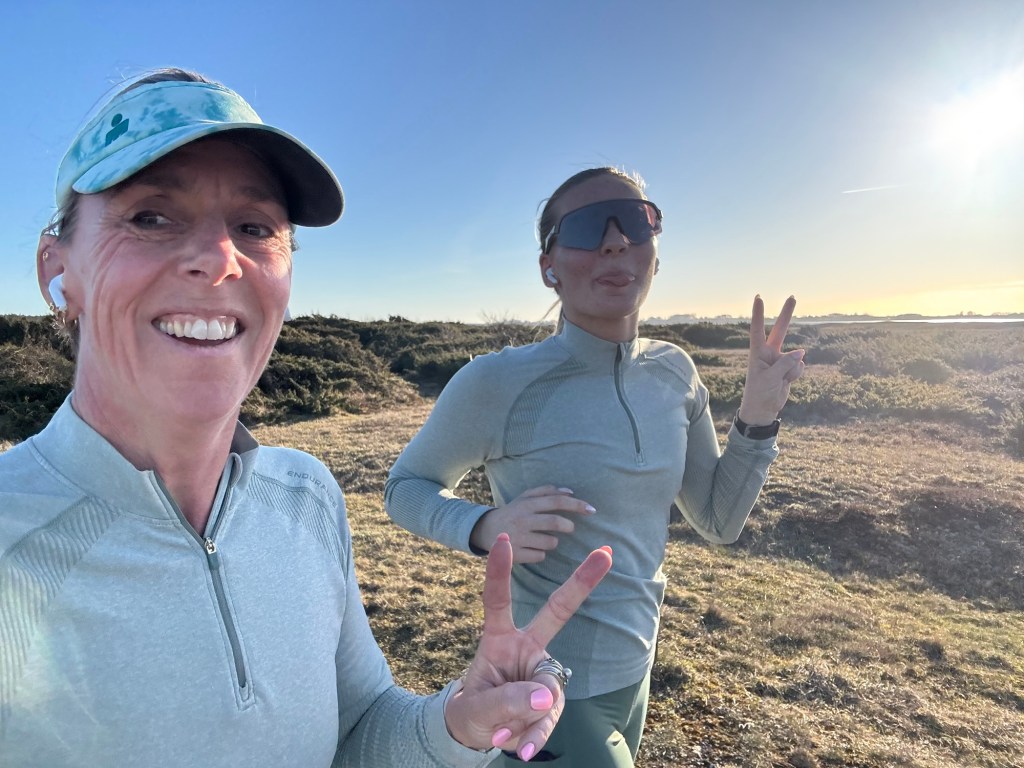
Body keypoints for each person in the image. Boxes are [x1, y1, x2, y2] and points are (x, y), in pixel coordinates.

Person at [0, 69, 613, 768]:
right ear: (57, 269)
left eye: (254, 227)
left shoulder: (307, 496)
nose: (219, 259)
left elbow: (358, 727)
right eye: (150, 217)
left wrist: (456, 726)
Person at [385, 167, 806, 766]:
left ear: (655, 253)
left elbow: (718, 520)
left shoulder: (675, 372)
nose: (615, 242)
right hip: (549, 686)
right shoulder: (496, 381)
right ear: (549, 267)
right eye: (585, 228)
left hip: (636, 671)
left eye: (636, 222)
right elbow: (405, 487)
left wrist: (758, 418)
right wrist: (484, 525)